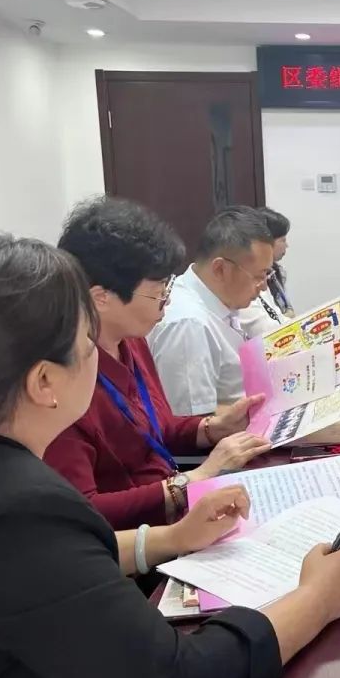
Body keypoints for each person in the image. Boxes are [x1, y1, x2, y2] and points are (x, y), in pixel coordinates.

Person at [0, 234, 340, 678]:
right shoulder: (17, 511)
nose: (99, 354)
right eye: (87, 342)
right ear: (44, 382)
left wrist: (170, 538)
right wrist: (319, 598)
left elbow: (47, 567)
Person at [47, 199, 272, 530]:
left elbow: (154, 429)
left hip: (177, 510)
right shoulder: (61, 381)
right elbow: (86, 510)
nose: (167, 302)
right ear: (101, 298)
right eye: (157, 292)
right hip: (144, 538)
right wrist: (195, 479)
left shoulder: (131, 340)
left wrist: (212, 428)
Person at [149, 206, 275, 415]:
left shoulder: (222, 300)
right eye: (258, 276)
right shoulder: (188, 324)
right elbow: (191, 419)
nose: (263, 286)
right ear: (220, 269)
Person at [240, 206, 295, 339]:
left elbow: (278, 317)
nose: (287, 245)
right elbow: (265, 331)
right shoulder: (242, 282)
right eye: (283, 240)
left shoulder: (268, 273)